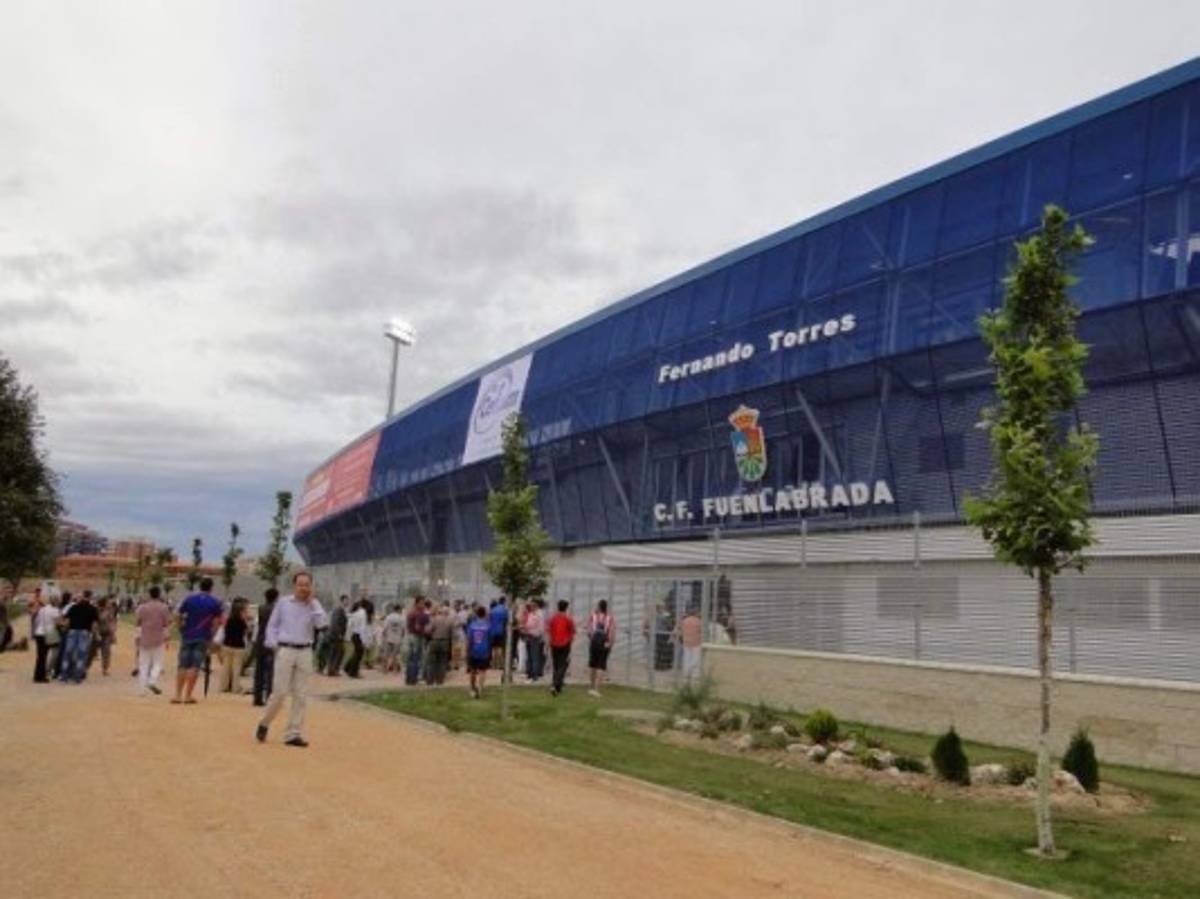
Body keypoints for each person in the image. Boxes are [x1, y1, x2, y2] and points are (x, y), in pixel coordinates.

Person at [256, 571, 328, 747]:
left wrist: (313, 603)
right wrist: (273, 644)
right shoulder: (283, 603)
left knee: (300, 694)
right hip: (286, 649)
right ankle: (264, 722)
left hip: (305, 651)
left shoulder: (314, 605)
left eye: (307, 584)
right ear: (294, 586)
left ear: (311, 586)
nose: (303, 588)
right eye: (300, 584)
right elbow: (272, 625)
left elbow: (322, 624)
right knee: (279, 693)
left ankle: (293, 733)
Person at [172, 577, 224, 704]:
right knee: (195, 666)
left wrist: (180, 628)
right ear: (211, 587)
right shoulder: (215, 602)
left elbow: (177, 614)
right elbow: (217, 622)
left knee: (183, 664)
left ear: (200, 586)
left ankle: (177, 695)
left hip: (187, 635)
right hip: (202, 636)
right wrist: (212, 636)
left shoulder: (189, 598)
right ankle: (188, 695)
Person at [135, 587, 171, 695]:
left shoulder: (142, 607)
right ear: (159, 594)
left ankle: (142, 690)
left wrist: (137, 637)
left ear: (149, 594)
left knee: (143, 664)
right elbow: (166, 623)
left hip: (144, 637)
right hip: (158, 638)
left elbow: (137, 622)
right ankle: (152, 681)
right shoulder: (164, 607)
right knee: (158, 663)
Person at [59, 591, 98, 683]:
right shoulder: (92, 608)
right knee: (81, 655)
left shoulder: (73, 607)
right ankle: (77, 676)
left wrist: (64, 628)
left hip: (72, 631)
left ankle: (64, 675)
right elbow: (94, 624)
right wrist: (93, 633)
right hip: (84, 632)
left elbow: (66, 620)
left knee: (68, 653)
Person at [252, 588, 279, 706]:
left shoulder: (261, 608)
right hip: (271, 641)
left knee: (259, 670)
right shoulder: (276, 610)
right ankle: (269, 696)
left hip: (260, 640)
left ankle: (257, 697)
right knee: (270, 671)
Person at [219, 597, 250, 693]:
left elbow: (224, 629)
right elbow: (247, 631)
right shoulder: (242, 622)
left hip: (227, 645)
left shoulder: (228, 620)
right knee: (236, 669)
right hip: (238, 646)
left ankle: (223, 686)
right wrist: (246, 620)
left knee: (225, 667)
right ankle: (235, 687)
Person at [586, 599, 616, 698]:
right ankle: (597, 689)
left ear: (599, 607)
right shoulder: (610, 618)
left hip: (594, 641)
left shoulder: (593, 616)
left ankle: (591, 686)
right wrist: (610, 644)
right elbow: (612, 632)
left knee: (592, 664)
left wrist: (591, 638)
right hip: (604, 641)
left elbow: (589, 630)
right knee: (601, 665)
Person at [546, 600, 576, 696]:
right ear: (566, 608)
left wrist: (549, 642)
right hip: (564, 644)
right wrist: (570, 641)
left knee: (556, 665)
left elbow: (548, 630)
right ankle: (555, 684)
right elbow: (573, 631)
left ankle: (557, 687)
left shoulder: (553, 619)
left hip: (554, 644)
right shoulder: (568, 619)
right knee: (562, 665)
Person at [32, 595, 61, 683]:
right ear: (56, 602)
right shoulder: (55, 610)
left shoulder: (42, 609)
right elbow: (58, 623)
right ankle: (42, 677)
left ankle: (37, 676)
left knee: (40, 656)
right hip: (47, 634)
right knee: (44, 656)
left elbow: (36, 620)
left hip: (39, 633)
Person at [465, 605, 491, 699]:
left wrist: (467, 651)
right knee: (482, 671)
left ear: (476, 614)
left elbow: (469, 640)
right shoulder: (488, 625)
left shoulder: (472, 625)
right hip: (484, 650)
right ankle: (480, 690)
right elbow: (490, 639)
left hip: (474, 650)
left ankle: (472, 688)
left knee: (473, 670)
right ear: (485, 614)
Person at [426, 603, 453, 685]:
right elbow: (451, 633)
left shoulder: (434, 619)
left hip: (434, 641)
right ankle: (440, 680)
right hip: (445, 642)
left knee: (432, 662)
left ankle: (430, 680)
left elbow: (428, 630)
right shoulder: (449, 621)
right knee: (442, 662)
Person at [91, 595, 118, 676]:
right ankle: (84, 667)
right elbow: (94, 623)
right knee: (91, 652)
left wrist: (113, 634)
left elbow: (112, 622)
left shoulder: (110, 611)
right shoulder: (96, 611)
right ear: (104, 603)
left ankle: (105, 669)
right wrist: (96, 633)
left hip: (107, 634)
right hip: (97, 633)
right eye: (107, 602)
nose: (109, 603)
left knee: (106, 652)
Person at [323, 595, 349, 676]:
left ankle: (332, 669)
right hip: (335, 635)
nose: (347, 602)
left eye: (348, 601)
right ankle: (332, 670)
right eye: (346, 600)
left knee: (336, 652)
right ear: (342, 601)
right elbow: (335, 623)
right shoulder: (338, 610)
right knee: (338, 652)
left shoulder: (341, 610)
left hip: (336, 635)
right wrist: (339, 634)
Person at [677, 606, 703, 682]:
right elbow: (702, 631)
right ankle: (694, 674)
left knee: (686, 658)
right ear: (696, 613)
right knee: (696, 658)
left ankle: (686, 673)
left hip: (686, 642)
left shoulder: (684, 621)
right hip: (696, 642)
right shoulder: (698, 621)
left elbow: (679, 629)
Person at [343, 599, 368, 678]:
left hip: (353, 635)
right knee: (359, 654)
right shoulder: (363, 613)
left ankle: (347, 667)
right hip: (358, 635)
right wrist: (364, 640)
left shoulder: (354, 613)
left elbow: (350, 624)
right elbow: (362, 627)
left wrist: (348, 636)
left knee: (357, 653)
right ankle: (353, 672)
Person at [523, 599, 546, 683]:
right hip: (529, 636)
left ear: (536, 605)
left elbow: (541, 627)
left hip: (535, 637)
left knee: (534, 657)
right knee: (529, 656)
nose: (530, 607)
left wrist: (539, 635)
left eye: (532, 605)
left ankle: (534, 675)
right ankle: (529, 674)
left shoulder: (539, 614)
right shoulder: (531, 614)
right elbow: (528, 624)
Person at [381, 603, 405, 673]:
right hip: (397, 638)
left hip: (389, 637)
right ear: (399, 609)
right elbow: (403, 629)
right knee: (395, 655)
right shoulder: (401, 618)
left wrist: (384, 635)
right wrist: (402, 636)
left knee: (386, 654)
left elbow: (385, 627)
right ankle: (394, 670)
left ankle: (384, 669)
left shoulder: (389, 617)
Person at [488, 597, 508, 671]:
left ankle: (493, 664)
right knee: (500, 648)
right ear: (504, 602)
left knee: (493, 649)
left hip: (492, 631)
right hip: (501, 631)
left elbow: (489, 620)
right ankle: (500, 664)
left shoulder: (492, 610)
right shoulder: (504, 610)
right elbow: (506, 620)